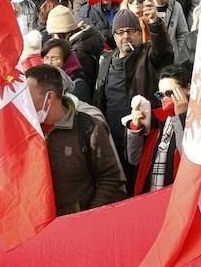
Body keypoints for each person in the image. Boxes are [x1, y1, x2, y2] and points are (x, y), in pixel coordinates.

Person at [26, 63, 127, 214]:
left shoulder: (89, 127)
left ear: (50, 97)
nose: (24, 103)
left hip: (76, 224)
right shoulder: (24, 129)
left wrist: (90, 216)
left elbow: (112, 178)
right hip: (35, 223)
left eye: (28, 97)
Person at [95, 7, 174, 170]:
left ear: (139, 33)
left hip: (140, 137)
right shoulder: (107, 59)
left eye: (131, 31)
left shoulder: (148, 54)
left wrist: (155, 23)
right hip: (112, 140)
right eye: (120, 32)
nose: (126, 36)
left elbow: (164, 52)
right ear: (114, 35)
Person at [126, 64, 191, 195]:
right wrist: (135, 126)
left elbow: (188, 156)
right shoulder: (156, 119)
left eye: (169, 93)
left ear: (188, 89)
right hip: (150, 197)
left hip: (176, 198)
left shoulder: (197, 120)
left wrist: (181, 117)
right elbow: (133, 158)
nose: (164, 99)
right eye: (160, 95)